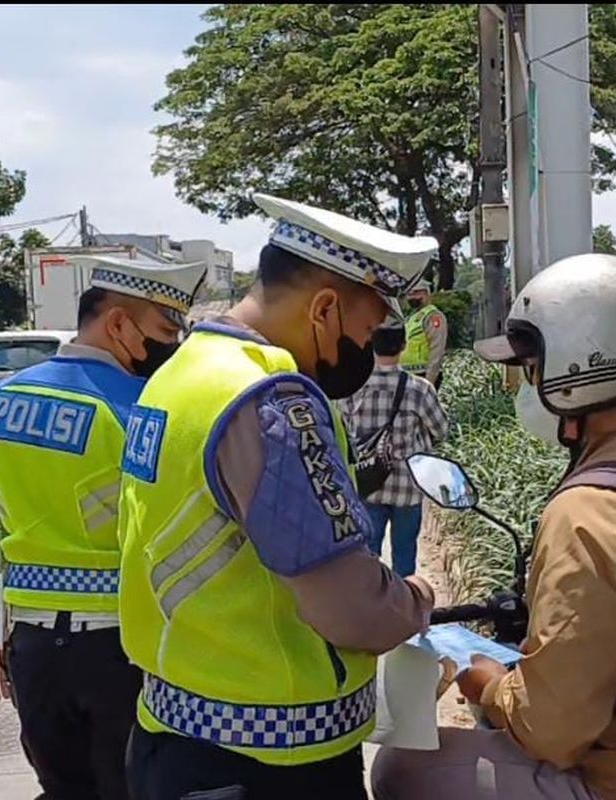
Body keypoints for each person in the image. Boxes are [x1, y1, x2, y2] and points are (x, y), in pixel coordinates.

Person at [372, 253, 616, 800]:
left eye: (530, 368)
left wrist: (488, 684)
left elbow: (554, 732)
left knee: (402, 769)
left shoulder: (586, 513)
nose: (524, 385)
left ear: (575, 370)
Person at [119, 194, 438, 800]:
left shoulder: (184, 371)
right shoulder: (272, 400)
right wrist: (413, 600)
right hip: (265, 762)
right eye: (365, 330)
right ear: (323, 308)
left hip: (173, 728)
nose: (365, 352)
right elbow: (351, 609)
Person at [0, 255, 207, 800]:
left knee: (62, 787)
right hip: (125, 649)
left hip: (33, 651)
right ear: (118, 323)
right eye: (166, 330)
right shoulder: (146, 409)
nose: (173, 346)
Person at [338, 323, 449, 576]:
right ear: (403, 346)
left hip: (367, 485)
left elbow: (343, 429)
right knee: (404, 555)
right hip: (408, 487)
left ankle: (370, 608)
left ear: (370, 345)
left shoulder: (352, 386)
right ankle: (403, 609)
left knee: (368, 556)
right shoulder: (419, 388)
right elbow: (441, 429)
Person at [400, 280, 447, 388]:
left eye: (416, 293)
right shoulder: (413, 317)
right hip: (409, 375)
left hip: (423, 375)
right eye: (409, 294)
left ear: (426, 293)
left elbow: (437, 350)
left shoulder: (433, 316)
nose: (411, 297)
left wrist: (429, 381)